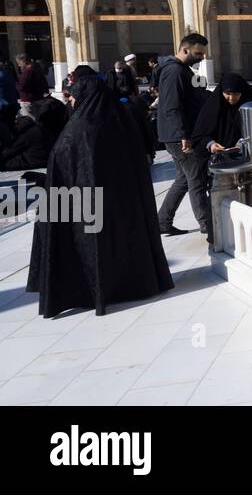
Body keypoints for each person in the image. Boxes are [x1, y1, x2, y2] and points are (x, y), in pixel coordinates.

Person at [27, 73, 174, 318]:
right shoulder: (122, 120)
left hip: (87, 207)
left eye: (74, 97)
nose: (72, 102)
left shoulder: (79, 129)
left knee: (93, 247)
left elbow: (65, 166)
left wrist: (47, 183)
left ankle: (94, 289)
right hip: (123, 207)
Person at [155, 33, 213, 239]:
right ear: (185, 49)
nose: (201, 57)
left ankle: (162, 221)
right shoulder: (174, 72)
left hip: (177, 133)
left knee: (183, 178)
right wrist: (183, 135)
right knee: (196, 178)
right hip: (179, 136)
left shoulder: (183, 70)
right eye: (198, 53)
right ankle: (208, 226)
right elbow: (172, 106)